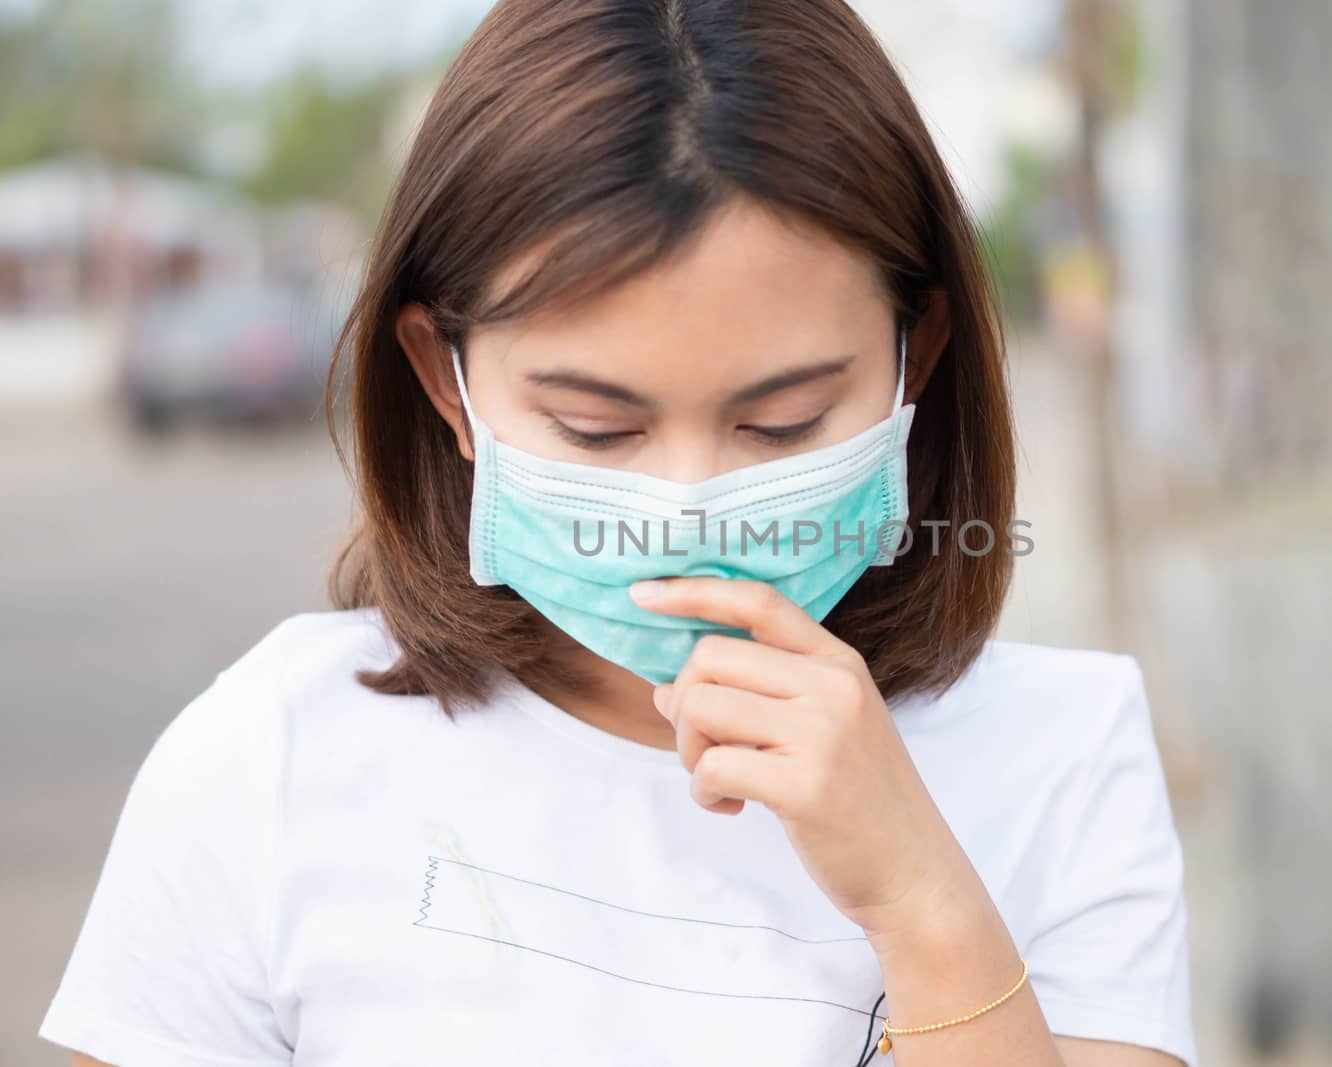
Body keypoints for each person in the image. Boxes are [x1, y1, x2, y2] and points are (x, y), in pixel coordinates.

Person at [38, 2, 1196, 1064]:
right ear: (445, 386)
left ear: (917, 357)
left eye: (781, 421)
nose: (688, 504)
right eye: (597, 428)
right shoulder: (269, 755)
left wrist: (925, 904)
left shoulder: (1061, 756)